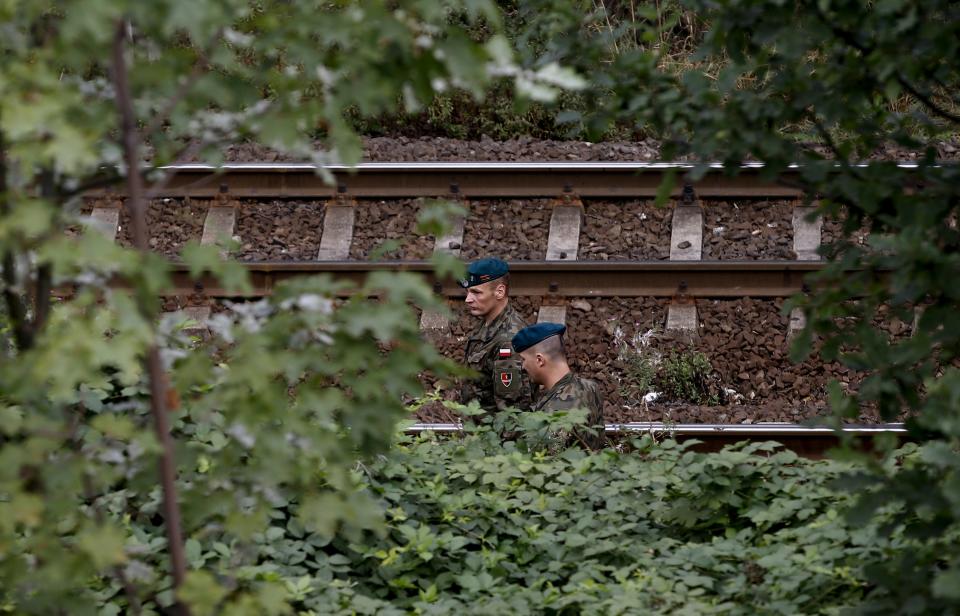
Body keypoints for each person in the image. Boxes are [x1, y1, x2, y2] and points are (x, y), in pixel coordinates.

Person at [512, 322, 605, 450]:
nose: (523, 366)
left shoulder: (555, 412)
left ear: (539, 360)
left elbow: (549, 465)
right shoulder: (590, 387)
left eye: (523, 360)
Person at [460, 258, 533, 413]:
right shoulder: (488, 322)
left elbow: (511, 413)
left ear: (499, 292)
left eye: (476, 293)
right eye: (467, 292)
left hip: (490, 433)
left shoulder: (508, 341)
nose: (468, 299)